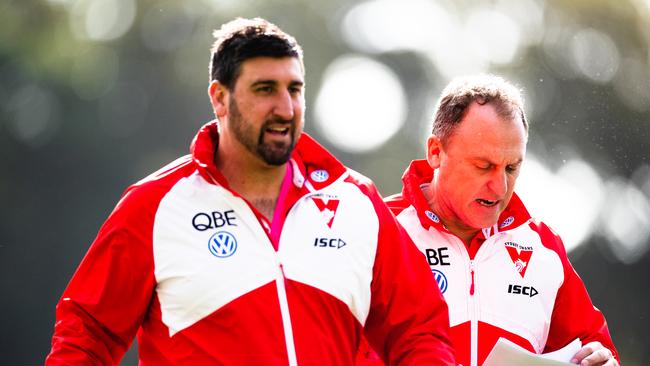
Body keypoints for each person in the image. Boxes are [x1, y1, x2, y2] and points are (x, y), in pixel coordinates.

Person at [45, 17, 456, 365]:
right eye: (265, 89)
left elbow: (420, 331)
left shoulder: (355, 201)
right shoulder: (154, 206)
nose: (285, 108)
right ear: (220, 99)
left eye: (294, 89)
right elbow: (85, 338)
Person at [358, 74, 619, 366]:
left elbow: (595, 348)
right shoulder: (377, 228)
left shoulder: (543, 247)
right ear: (435, 152)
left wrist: (603, 361)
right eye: (484, 166)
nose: (500, 187)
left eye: (511, 168)